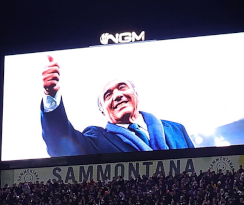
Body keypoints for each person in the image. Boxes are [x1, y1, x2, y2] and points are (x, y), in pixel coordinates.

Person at [39, 56, 194, 157]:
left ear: (136, 95)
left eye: (122, 87)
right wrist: (51, 95)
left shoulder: (176, 130)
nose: (117, 96)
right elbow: (60, 144)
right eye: (108, 95)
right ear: (103, 111)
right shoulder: (97, 140)